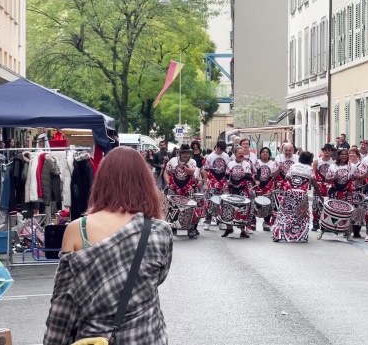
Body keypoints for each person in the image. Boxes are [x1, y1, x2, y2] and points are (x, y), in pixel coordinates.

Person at [44, 147, 173, 345]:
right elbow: (158, 279)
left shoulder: (79, 230)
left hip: (94, 339)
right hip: (147, 337)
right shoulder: (159, 231)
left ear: (102, 182)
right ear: (145, 183)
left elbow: (63, 306)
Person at [272, 151, 320, 243]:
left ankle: (278, 234)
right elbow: (315, 184)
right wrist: (320, 196)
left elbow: (287, 178)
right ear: (310, 160)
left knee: (284, 213)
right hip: (301, 195)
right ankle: (301, 236)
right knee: (301, 215)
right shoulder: (310, 169)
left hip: (290, 193)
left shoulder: (294, 166)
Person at [164, 144, 199, 238]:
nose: (185, 155)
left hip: (188, 187)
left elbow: (191, 172)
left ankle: (192, 228)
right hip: (174, 188)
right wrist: (168, 183)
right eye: (183, 153)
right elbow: (166, 172)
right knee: (172, 208)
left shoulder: (192, 161)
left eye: (187, 153)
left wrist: (183, 167)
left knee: (191, 207)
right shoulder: (173, 161)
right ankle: (172, 227)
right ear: (179, 153)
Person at [323, 148, 358, 240]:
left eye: (346, 154)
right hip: (335, 192)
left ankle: (348, 232)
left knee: (348, 213)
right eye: (342, 154)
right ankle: (328, 228)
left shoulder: (352, 166)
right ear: (338, 156)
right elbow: (326, 179)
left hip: (347, 193)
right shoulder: (333, 166)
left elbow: (357, 178)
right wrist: (334, 178)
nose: (344, 156)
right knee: (333, 212)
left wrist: (354, 185)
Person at [222, 146, 254, 237]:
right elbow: (226, 175)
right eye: (239, 153)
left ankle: (242, 230)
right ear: (235, 154)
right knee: (229, 207)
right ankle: (229, 228)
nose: (241, 155)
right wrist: (227, 181)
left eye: (242, 153)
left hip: (243, 188)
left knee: (243, 209)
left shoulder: (247, 164)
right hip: (232, 188)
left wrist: (245, 174)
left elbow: (250, 177)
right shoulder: (230, 164)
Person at [202, 141, 231, 230]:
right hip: (212, 180)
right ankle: (207, 220)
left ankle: (222, 220)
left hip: (223, 181)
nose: (221, 151)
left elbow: (229, 169)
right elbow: (205, 170)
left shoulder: (226, 156)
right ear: (217, 147)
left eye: (223, 150)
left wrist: (227, 181)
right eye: (220, 149)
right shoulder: (210, 156)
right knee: (210, 201)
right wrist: (206, 183)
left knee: (224, 201)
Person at [254, 147, 279, 231]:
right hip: (257, 186)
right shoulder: (257, 162)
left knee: (268, 205)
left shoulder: (273, 163)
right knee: (255, 204)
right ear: (260, 154)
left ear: (269, 154)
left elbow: (275, 176)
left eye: (267, 152)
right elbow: (253, 173)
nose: (265, 153)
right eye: (263, 152)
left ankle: (266, 222)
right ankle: (253, 222)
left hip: (269, 187)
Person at [311, 144, 334, 232]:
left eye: (329, 150)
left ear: (331, 151)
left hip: (329, 185)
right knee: (316, 205)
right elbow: (313, 174)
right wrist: (314, 184)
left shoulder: (333, 162)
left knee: (328, 205)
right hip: (319, 185)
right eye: (325, 150)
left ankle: (326, 223)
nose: (327, 152)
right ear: (323, 151)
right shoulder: (317, 161)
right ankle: (315, 222)